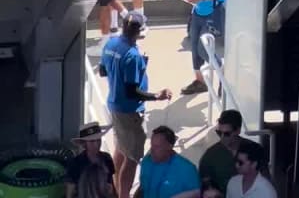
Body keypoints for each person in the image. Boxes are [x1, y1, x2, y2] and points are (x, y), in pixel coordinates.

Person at [99, 13, 172, 198]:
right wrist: (157, 96)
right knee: (131, 159)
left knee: (120, 150)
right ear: (140, 30)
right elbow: (132, 91)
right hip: (130, 112)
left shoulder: (111, 43)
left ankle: (115, 192)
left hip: (115, 106)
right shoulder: (132, 55)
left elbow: (102, 71)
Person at [179, 0, 228, 95]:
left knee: (203, 49)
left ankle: (223, 72)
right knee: (195, 48)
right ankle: (200, 82)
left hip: (212, 15)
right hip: (197, 14)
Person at [199, 111, 255, 197]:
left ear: (238, 130)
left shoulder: (255, 150)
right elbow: (205, 186)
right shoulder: (210, 155)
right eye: (219, 133)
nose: (222, 137)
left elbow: (266, 181)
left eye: (227, 134)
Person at [137, 127, 200, 198]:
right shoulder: (146, 162)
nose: (152, 150)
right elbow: (142, 188)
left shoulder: (187, 169)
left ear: (169, 146)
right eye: (152, 145)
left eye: (157, 147)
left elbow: (197, 194)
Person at [65, 123, 115, 198]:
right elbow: (70, 191)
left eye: (98, 140)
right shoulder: (76, 163)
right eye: (92, 141)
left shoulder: (106, 158)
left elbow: (111, 183)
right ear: (84, 143)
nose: (96, 144)